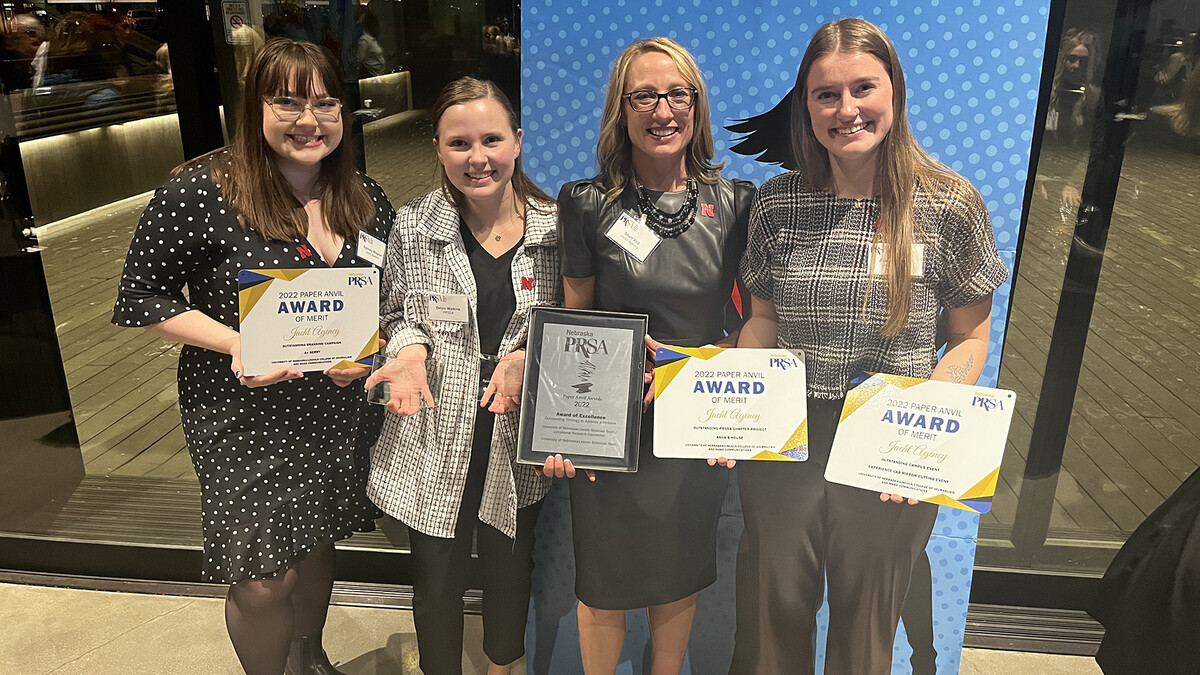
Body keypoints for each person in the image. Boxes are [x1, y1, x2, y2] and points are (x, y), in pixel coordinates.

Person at [728, 18, 1008, 674]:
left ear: (894, 92)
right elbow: (762, 321)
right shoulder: (777, 204)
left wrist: (929, 436)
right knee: (772, 615)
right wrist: (730, 403)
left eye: (863, 88)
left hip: (892, 435)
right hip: (787, 435)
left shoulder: (949, 203)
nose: (846, 109)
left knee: (867, 627)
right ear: (806, 104)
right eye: (827, 94)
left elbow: (970, 332)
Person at [112, 39, 394, 675]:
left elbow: (390, 294)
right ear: (253, 107)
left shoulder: (363, 193)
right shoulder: (202, 190)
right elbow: (142, 296)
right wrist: (239, 340)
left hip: (334, 406)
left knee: (317, 534)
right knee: (263, 576)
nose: (308, 120)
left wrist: (370, 356)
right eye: (287, 102)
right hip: (241, 408)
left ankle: (309, 653)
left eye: (325, 103)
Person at [544, 37, 755, 674]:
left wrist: (698, 376)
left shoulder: (738, 203)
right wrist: (558, 422)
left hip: (692, 425)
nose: (662, 110)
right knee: (602, 578)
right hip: (609, 422)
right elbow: (573, 317)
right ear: (621, 108)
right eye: (644, 96)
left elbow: (747, 324)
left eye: (676, 94)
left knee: (678, 570)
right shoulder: (584, 202)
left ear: (697, 105)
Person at [364, 77, 560, 675]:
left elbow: (574, 324)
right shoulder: (415, 226)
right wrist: (407, 349)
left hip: (515, 420)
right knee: (437, 573)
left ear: (518, 142)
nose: (477, 158)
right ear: (438, 149)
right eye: (459, 144)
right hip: (435, 421)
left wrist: (532, 357)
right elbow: (394, 312)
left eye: (492, 140)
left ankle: (504, 665)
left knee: (510, 563)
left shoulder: (557, 229)